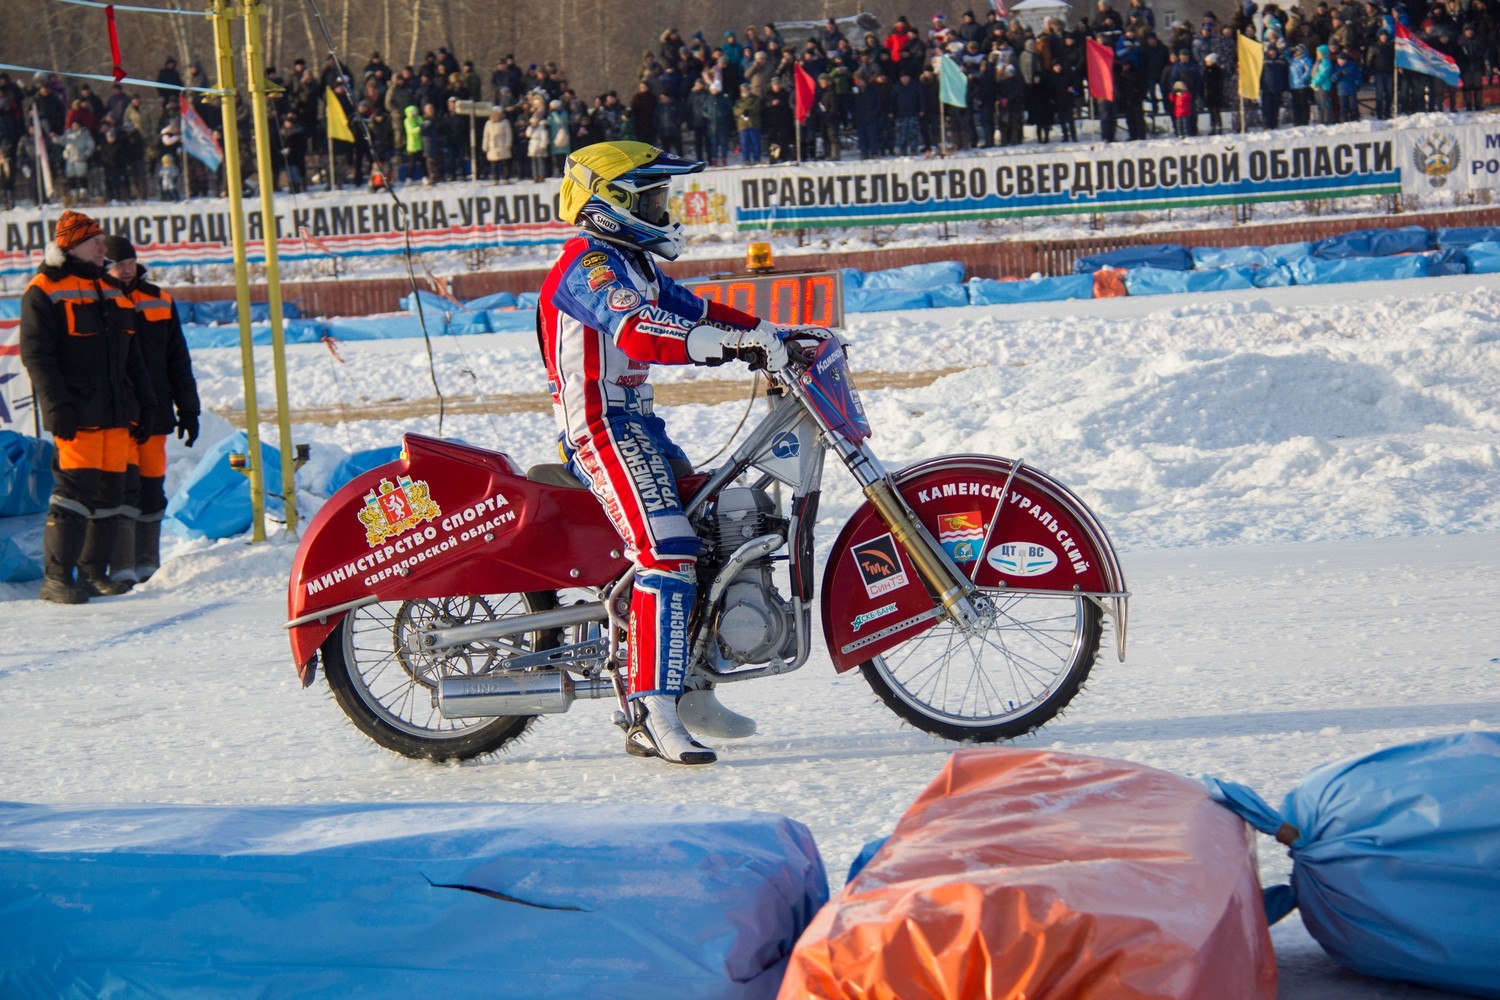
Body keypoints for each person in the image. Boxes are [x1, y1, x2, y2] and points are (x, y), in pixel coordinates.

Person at [540, 140, 787, 765]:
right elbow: (639, 329)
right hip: (601, 429)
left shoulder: (636, 265)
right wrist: (712, 344)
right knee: (668, 549)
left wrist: (770, 335)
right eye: (650, 196)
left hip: (640, 425)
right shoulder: (589, 267)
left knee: (709, 533)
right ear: (610, 203)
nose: (662, 207)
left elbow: (698, 311)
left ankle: (690, 690)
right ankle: (650, 713)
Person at [19, 211, 154, 603]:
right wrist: (56, 406)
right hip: (77, 415)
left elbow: (133, 358)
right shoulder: (44, 289)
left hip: (115, 414)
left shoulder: (110, 290)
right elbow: (37, 356)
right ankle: (58, 577)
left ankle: (95, 572)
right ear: (72, 246)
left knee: (111, 494)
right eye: (95, 242)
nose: (103, 248)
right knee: (73, 494)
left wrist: (145, 403)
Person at [101, 235, 199, 586]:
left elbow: (178, 361)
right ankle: (122, 566)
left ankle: (147, 564)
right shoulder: (99, 299)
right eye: (117, 264)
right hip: (116, 416)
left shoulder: (159, 300)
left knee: (151, 488)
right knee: (123, 489)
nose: (125, 270)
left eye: (129, 263)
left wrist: (189, 410)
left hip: (156, 415)